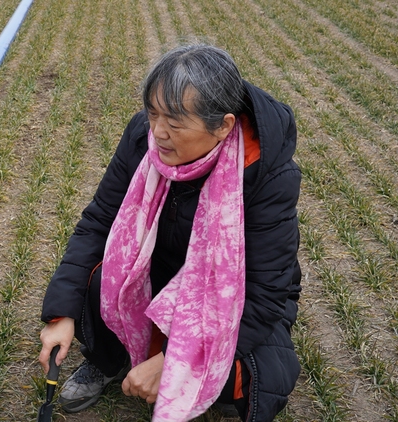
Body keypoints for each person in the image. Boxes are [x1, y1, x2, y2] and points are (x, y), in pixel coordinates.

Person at [39, 44, 301, 422]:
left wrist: (173, 360)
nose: (158, 132)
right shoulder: (141, 138)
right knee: (102, 282)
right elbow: (99, 221)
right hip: (159, 271)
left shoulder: (267, 174)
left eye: (176, 122)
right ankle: (107, 359)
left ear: (224, 125)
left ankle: (196, 379)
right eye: (152, 113)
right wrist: (61, 314)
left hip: (229, 293)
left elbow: (266, 294)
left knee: (255, 369)